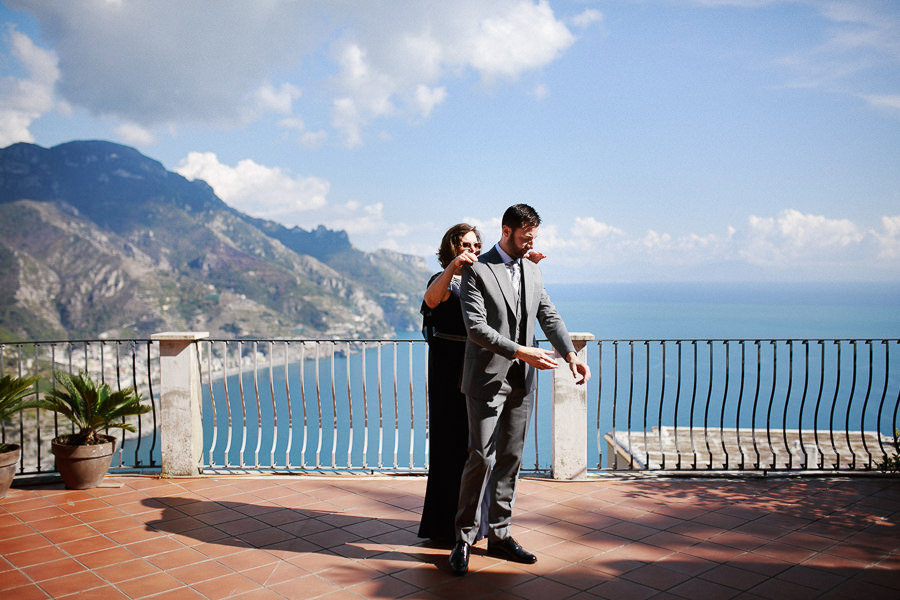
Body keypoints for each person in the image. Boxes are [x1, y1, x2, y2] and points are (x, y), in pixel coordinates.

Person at [448, 204, 590, 575]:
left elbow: (549, 315)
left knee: (510, 460)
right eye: (525, 237)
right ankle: (462, 539)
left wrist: (571, 354)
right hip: (485, 381)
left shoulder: (532, 269)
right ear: (506, 231)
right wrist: (522, 351)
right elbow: (476, 328)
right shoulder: (476, 270)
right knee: (481, 457)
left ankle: (500, 535)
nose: (531, 244)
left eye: (534, 238)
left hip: (521, 384)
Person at [417, 223, 482, 543]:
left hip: (476, 366)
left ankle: (472, 523)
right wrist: (453, 268)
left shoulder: (480, 280)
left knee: (475, 447)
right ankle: (442, 526)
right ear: (452, 249)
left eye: (476, 245)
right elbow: (431, 301)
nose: (473, 249)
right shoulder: (441, 279)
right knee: (447, 445)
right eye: (466, 245)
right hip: (446, 367)